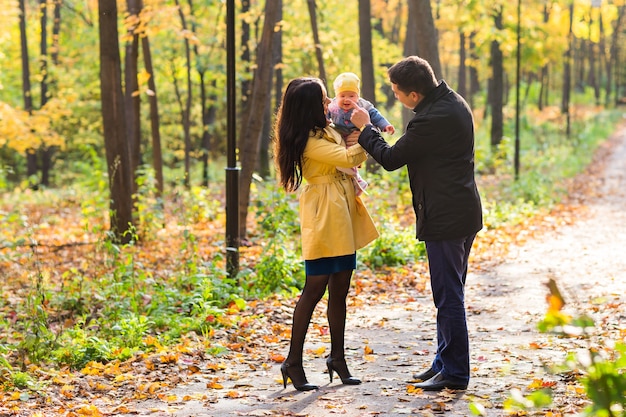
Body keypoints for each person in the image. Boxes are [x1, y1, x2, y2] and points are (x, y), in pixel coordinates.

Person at [350, 56, 483, 391]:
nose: (395, 97)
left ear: (414, 95)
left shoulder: (431, 120)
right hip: (460, 211)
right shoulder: (452, 102)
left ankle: (455, 373)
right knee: (449, 292)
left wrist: (366, 129)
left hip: (446, 217)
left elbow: (391, 158)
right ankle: (443, 362)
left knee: (448, 295)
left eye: (397, 92)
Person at [273, 77, 379, 391]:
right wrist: (367, 128)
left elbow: (349, 152)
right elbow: (348, 157)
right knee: (314, 288)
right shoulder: (307, 139)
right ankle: (292, 361)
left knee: (340, 289)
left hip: (341, 211)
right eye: (322, 99)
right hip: (323, 214)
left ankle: (337, 358)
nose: (328, 102)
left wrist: (361, 132)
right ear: (309, 106)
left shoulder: (328, 129)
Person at [327, 72, 395, 196]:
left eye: (351, 95)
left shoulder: (363, 105)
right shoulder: (332, 106)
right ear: (336, 96)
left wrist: (385, 125)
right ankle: (351, 179)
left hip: (357, 133)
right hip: (340, 133)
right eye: (342, 96)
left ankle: (357, 180)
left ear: (358, 96)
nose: (346, 99)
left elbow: (375, 115)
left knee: (354, 155)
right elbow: (325, 116)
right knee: (342, 157)